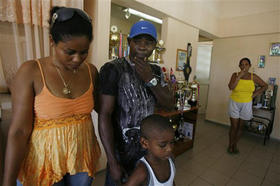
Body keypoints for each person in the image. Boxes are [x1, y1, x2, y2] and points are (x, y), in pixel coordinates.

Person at [3, 7, 101, 186]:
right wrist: (7, 181)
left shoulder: (91, 71)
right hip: (44, 163)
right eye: (70, 52)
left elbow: (103, 109)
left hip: (81, 157)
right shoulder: (31, 71)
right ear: (51, 41)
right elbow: (19, 131)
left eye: (84, 52)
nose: (78, 59)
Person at [99, 20, 174, 186]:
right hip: (121, 152)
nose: (142, 46)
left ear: (154, 46)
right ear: (129, 42)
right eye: (137, 41)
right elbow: (104, 115)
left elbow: (169, 104)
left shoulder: (154, 71)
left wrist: (149, 79)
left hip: (148, 152)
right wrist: (112, 162)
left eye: (148, 42)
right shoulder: (113, 69)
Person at [228, 57, 267, 154]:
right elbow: (231, 87)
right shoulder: (235, 75)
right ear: (239, 66)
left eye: (246, 64)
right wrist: (239, 77)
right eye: (241, 64)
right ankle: (230, 145)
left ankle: (235, 144)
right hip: (234, 103)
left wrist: (253, 95)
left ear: (249, 66)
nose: (244, 66)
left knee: (241, 127)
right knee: (234, 126)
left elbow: (265, 86)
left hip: (246, 104)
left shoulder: (253, 76)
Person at [124, 114, 175, 186]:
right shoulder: (142, 171)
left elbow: (171, 181)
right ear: (144, 143)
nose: (170, 149)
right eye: (163, 145)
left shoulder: (171, 159)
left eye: (172, 142)